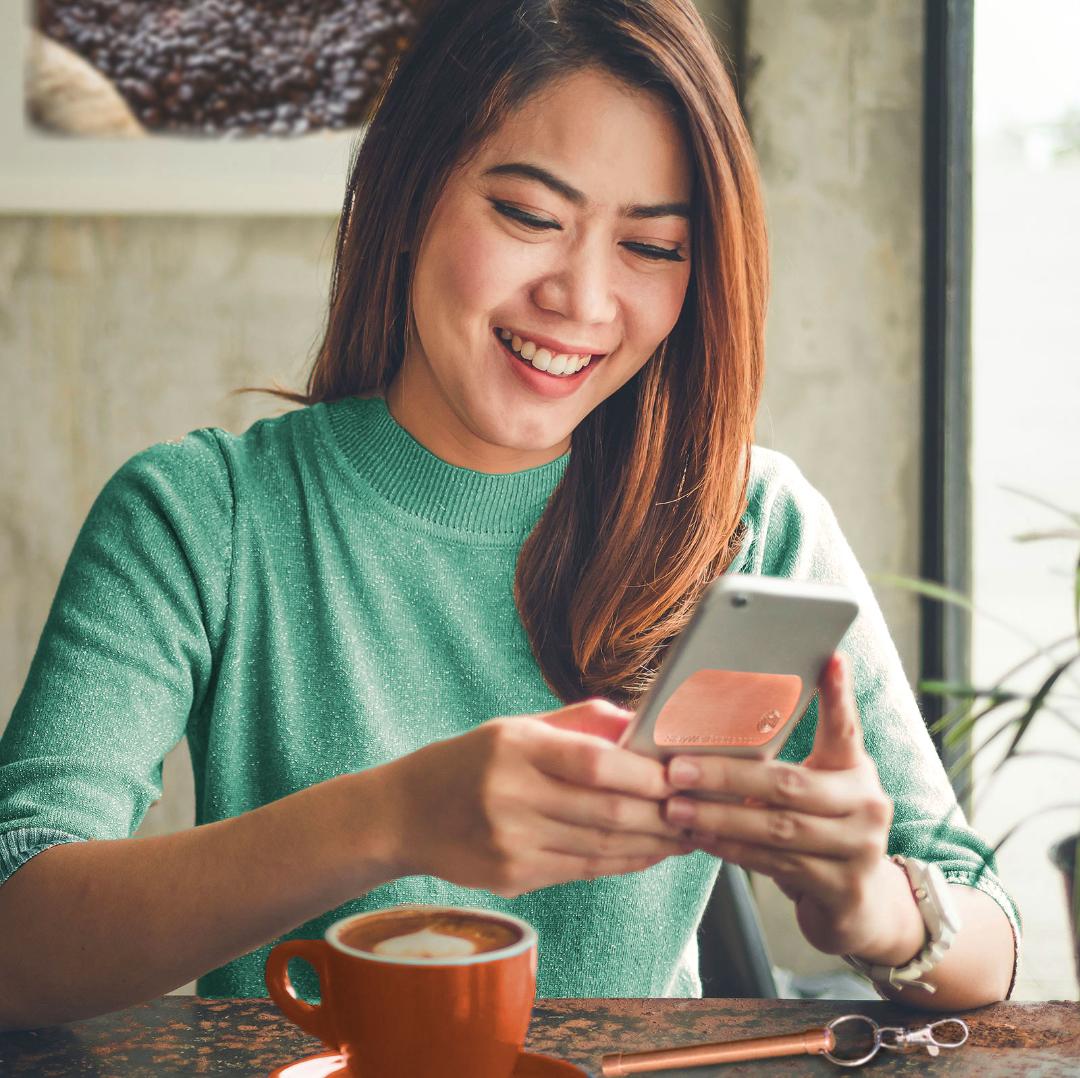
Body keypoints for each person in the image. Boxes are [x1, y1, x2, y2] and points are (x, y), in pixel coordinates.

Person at [0, 0, 1019, 1030]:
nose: (582, 299)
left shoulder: (752, 525)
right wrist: (391, 818)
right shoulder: (200, 517)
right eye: (531, 217)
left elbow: (992, 938)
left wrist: (875, 906)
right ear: (403, 199)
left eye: (652, 246)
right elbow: (16, 939)